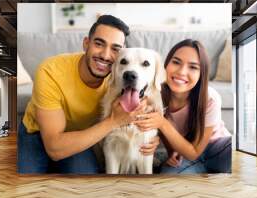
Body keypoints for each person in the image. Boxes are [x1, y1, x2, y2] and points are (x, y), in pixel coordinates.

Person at [17, 15, 159, 174]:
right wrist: (114, 121)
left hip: (79, 135)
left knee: (87, 180)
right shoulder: (50, 70)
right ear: (86, 44)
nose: (105, 55)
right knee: (24, 180)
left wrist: (153, 135)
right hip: (36, 133)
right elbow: (54, 148)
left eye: (115, 49)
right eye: (99, 44)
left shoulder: (118, 77)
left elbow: (149, 100)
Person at [133, 39, 232, 174]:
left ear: (201, 74)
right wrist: (163, 147)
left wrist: (162, 123)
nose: (182, 72)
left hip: (216, 149)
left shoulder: (210, 98)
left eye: (193, 67)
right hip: (183, 155)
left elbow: (194, 152)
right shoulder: (153, 94)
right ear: (165, 65)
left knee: (233, 149)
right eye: (176, 62)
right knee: (168, 178)